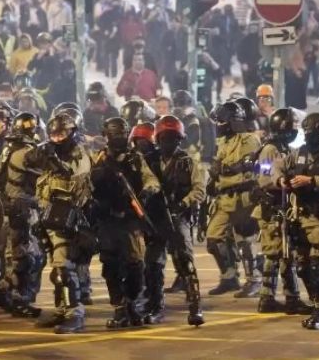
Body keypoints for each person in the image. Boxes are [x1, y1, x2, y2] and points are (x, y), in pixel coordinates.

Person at [270, 113, 319, 330]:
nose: (318, 135)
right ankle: (315, 303)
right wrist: (281, 180)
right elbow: (275, 168)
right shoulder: (298, 152)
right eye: (314, 130)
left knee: (316, 264)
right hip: (299, 214)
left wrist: (312, 180)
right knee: (302, 266)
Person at [91, 117, 160, 328]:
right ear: (107, 136)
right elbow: (85, 185)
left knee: (135, 265)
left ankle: (132, 303)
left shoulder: (135, 158)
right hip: (107, 219)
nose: (119, 139)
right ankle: (119, 306)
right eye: (115, 135)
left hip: (130, 219)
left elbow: (151, 180)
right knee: (111, 265)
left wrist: (148, 191)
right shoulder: (98, 159)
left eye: (122, 134)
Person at [31, 113, 93, 334]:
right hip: (49, 215)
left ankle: (74, 312)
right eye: (54, 135)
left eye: (62, 134)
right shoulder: (49, 151)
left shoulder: (80, 154)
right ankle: (61, 308)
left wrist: (54, 161)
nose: (57, 139)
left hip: (70, 217)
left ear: (73, 132)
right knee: (56, 268)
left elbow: (75, 176)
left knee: (64, 267)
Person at [255, 108, 314, 315]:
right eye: (292, 126)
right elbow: (263, 179)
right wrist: (284, 183)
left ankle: (279, 298)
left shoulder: (285, 148)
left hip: (283, 207)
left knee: (285, 254)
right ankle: (280, 298)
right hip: (272, 208)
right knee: (276, 254)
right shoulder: (269, 150)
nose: (295, 129)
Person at [148, 115, 206, 326]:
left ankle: (195, 307)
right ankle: (155, 306)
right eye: (164, 138)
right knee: (153, 264)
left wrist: (183, 203)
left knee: (185, 262)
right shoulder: (150, 160)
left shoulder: (187, 161)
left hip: (178, 217)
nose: (168, 142)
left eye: (173, 138)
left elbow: (199, 190)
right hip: (156, 218)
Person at [0, 112, 46, 318]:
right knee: (27, 258)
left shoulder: (8, 149)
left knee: (19, 257)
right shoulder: (26, 152)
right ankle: (17, 298)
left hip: (9, 208)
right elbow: (47, 170)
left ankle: (3, 291)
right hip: (20, 209)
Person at [205, 101, 262, 296]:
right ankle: (229, 277)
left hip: (243, 197)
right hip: (224, 198)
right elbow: (219, 165)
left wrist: (239, 167)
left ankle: (254, 279)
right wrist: (213, 179)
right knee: (213, 239)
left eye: (221, 121)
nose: (218, 124)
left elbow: (262, 166)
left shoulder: (249, 139)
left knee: (245, 240)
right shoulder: (223, 141)